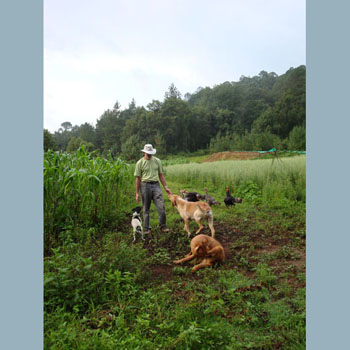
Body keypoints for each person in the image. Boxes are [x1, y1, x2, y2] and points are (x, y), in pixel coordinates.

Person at [134, 144, 172, 233]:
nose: (150, 155)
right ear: (144, 152)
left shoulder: (157, 161)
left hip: (156, 185)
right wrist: (136, 193)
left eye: (151, 153)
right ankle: (147, 228)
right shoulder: (139, 163)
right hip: (145, 185)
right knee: (146, 208)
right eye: (148, 153)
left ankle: (162, 226)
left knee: (161, 207)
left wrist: (166, 187)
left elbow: (161, 175)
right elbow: (138, 179)